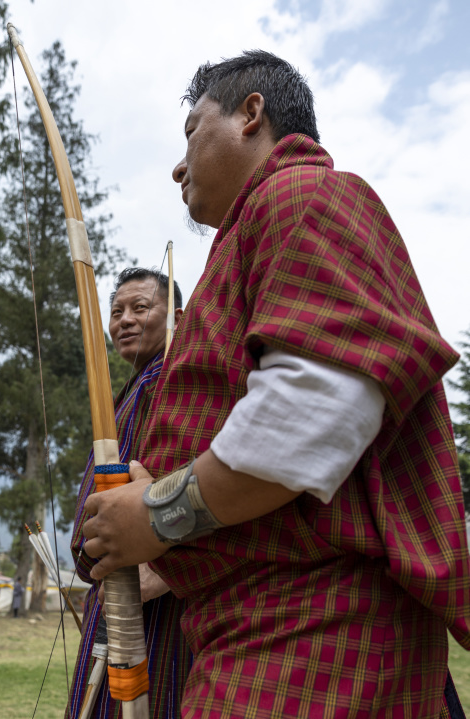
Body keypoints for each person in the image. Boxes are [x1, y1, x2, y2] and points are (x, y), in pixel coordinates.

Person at [83, 52, 470, 718]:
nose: (178, 166)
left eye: (191, 131)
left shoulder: (305, 193)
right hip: (255, 631)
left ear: (251, 114)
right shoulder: (261, 227)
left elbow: (312, 413)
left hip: (310, 634)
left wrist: (154, 514)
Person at [67, 267, 192, 719]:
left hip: (146, 596)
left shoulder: (165, 384)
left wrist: (160, 568)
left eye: (141, 308)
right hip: (120, 589)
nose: (124, 320)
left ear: (178, 318)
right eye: (116, 311)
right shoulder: (142, 386)